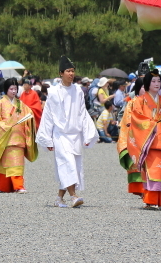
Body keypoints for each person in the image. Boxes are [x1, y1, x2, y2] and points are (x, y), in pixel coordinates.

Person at [36, 56, 98, 208]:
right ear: (61, 73)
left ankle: (59, 198)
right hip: (60, 135)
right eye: (68, 71)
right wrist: (47, 139)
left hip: (74, 134)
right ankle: (73, 196)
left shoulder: (78, 90)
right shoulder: (54, 92)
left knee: (73, 166)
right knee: (67, 164)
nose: (71, 74)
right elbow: (48, 116)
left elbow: (82, 113)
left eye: (72, 71)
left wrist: (88, 133)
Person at [117, 69, 161, 210]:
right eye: (153, 81)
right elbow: (136, 119)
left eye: (159, 81)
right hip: (146, 140)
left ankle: (153, 199)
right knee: (147, 172)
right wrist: (152, 124)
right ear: (147, 83)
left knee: (158, 170)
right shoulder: (138, 101)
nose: (157, 83)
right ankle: (150, 199)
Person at [0, 77, 38, 194]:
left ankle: (18, 186)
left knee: (16, 163)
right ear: (6, 89)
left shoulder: (20, 104)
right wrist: (7, 125)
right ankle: (2, 186)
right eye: (11, 89)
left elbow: (29, 114)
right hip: (4, 138)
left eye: (15, 89)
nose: (13, 91)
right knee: (3, 164)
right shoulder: (0, 104)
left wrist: (29, 118)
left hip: (18, 138)